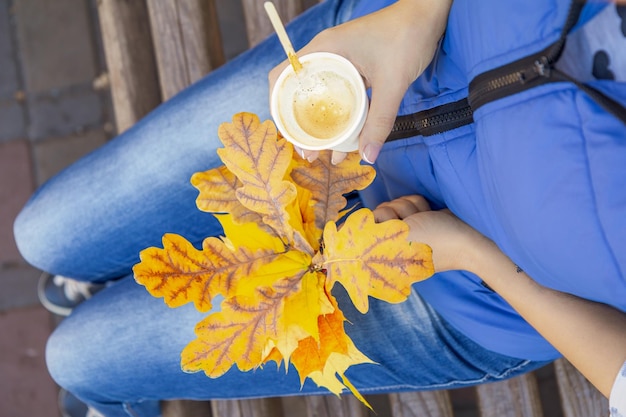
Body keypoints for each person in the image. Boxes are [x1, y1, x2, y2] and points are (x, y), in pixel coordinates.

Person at [12, 0, 626, 416]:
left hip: (469, 291)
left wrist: (474, 255)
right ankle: (103, 282)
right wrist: (421, 9)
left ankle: (110, 365)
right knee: (42, 234)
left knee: (80, 359)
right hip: (362, 72)